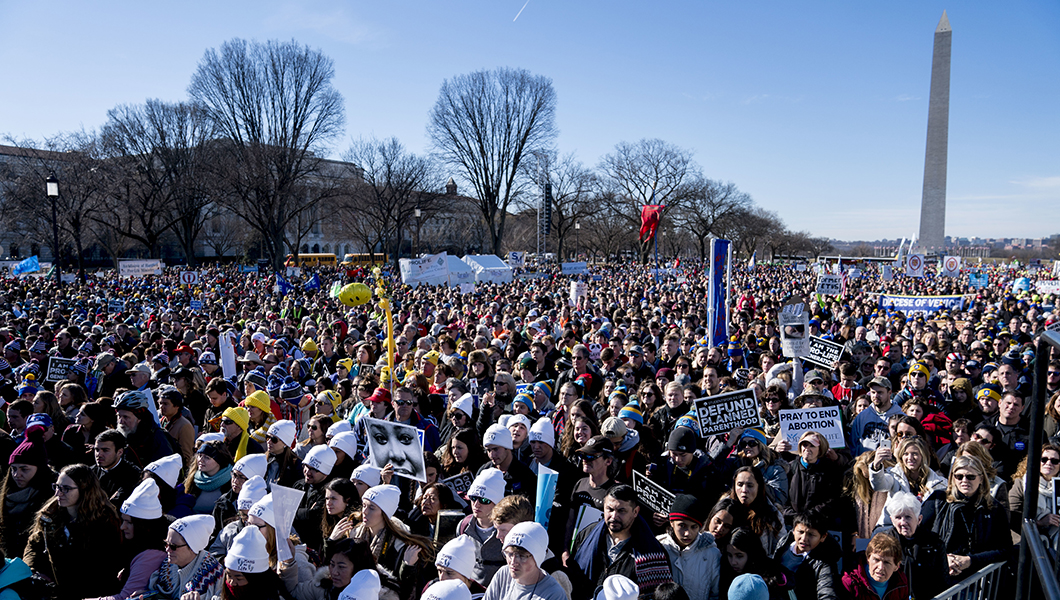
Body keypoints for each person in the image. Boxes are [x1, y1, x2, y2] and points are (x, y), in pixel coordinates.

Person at [23, 463, 124, 599]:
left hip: (92, 593)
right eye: (57, 487)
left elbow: (107, 565)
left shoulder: (105, 520)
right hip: (57, 592)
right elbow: (34, 544)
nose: (58, 493)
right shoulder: (51, 514)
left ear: (84, 489)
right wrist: (32, 570)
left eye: (66, 489)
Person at [569, 484, 673, 598]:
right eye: (610, 509)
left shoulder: (653, 553)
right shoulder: (587, 535)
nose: (614, 516)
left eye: (621, 511)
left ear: (635, 512)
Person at [926, 455, 1012, 582]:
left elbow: (1006, 549)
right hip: (940, 575)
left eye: (970, 477)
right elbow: (919, 537)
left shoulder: (993, 507)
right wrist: (943, 558)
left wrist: (970, 560)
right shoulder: (938, 499)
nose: (964, 480)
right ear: (953, 478)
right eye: (959, 476)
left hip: (978, 579)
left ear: (981, 478)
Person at [85, 479, 169, 600]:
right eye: (123, 520)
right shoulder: (138, 546)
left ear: (143, 526)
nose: (122, 527)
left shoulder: (151, 555)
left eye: (129, 522)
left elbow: (125, 597)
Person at [351, 484, 435, 600]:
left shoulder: (400, 545)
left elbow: (405, 588)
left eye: (372, 508)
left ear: (384, 513)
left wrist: (407, 566)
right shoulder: (353, 534)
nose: (364, 511)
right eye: (364, 505)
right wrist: (331, 541)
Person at [868, 435, 946, 531]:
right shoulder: (894, 475)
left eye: (915, 454)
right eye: (906, 454)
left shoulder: (939, 483)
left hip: (923, 531)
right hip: (891, 528)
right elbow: (879, 485)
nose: (910, 458)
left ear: (923, 455)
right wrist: (876, 466)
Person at [0, 425, 55, 559]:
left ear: (40, 469)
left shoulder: (52, 497)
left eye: (24, 469)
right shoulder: (6, 495)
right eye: (13, 469)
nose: (16, 475)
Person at [879, 492, 945, 600]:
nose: (903, 522)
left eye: (908, 517)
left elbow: (942, 580)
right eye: (898, 517)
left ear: (919, 519)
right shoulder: (883, 541)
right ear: (892, 520)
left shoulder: (934, 541)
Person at [655, 494, 720, 600]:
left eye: (694, 527)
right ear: (672, 523)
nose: (687, 533)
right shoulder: (658, 547)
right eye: (682, 526)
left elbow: (715, 594)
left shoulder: (711, 554)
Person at [144, 514, 226, 599]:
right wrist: (147, 595)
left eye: (173, 546)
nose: (167, 549)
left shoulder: (213, 572)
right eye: (166, 544)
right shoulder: (167, 565)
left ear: (192, 547)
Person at [482, 521, 568, 600]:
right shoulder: (503, 574)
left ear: (537, 557)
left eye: (522, 556)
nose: (513, 562)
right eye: (510, 554)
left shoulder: (553, 593)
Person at [769, 512, 842, 600]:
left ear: (823, 537)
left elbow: (827, 592)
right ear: (793, 530)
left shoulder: (824, 563)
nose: (804, 539)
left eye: (811, 534)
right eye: (801, 532)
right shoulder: (784, 542)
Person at [722, 466, 787, 555]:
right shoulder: (723, 510)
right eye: (740, 485)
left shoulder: (772, 514)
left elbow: (781, 550)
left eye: (750, 486)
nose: (744, 490)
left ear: (759, 487)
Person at [1009, 443, 1060, 547]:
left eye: (1054, 461)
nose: (1048, 463)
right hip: (1028, 541)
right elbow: (1012, 515)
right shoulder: (1022, 484)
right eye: (1043, 459)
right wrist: (1039, 522)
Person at [113, 390, 175, 468]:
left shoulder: (157, 438)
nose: (121, 421)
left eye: (126, 417)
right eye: (119, 416)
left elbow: (164, 469)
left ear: (139, 417)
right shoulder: (120, 437)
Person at [841, 532, 910, 600]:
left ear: (896, 566)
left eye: (887, 562)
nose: (880, 567)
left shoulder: (901, 582)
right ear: (868, 558)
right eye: (876, 560)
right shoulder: (850, 583)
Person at [478, 424, 536, 498]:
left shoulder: (525, 475)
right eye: (488, 450)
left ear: (507, 447)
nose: (492, 455)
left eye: (496, 449)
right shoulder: (484, 471)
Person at [91, 428, 143, 507]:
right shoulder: (90, 472)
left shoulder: (132, 474)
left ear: (120, 452)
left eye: (105, 450)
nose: (99, 454)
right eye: (97, 450)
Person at [185, 439, 234, 515]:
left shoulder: (232, 482)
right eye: (199, 455)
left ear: (219, 461)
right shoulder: (194, 478)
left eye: (207, 457)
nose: (200, 460)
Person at [266, 419, 304, 488]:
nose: (269, 441)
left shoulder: (295, 465)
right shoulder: (263, 458)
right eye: (267, 437)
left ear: (285, 443)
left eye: (274, 439)